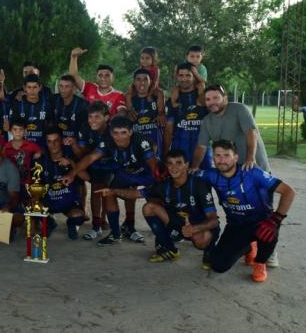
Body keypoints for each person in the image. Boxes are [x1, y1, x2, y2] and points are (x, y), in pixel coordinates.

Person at [197, 140, 295, 282]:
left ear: (236, 157)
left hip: (261, 222)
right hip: (236, 225)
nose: (222, 160)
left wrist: (276, 219)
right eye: (217, 155)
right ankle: (248, 247)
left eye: (226, 155)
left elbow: (289, 192)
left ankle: (260, 262)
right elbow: (187, 174)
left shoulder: (252, 173)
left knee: (269, 230)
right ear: (213, 158)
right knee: (218, 265)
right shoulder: (211, 175)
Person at [101, 149, 219, 267]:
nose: (174, 167)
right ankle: (170, 249)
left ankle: (209, 251)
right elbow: (135, 193)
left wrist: (194, 228)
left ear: (186, 165)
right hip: (179, 222)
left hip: (199, 225)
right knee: (149, 208)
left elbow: (213, 220)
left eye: (178, 163)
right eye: (170, 163)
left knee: (202, 241)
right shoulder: (164, 185)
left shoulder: (199, 185)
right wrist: (113, 191)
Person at [64, 117, 160, 246]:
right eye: (116, 133)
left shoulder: (141, 141)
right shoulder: (107, 141)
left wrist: (155, 186)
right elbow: (91, 157)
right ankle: (115, 234)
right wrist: (71, 174)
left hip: (146, 173)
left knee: (155, 200)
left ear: (131, 132)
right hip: (126, 173)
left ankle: (160, 236)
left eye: (123, 132)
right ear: (111, 133)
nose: (119, 137)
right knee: (108, 193)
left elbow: (153, 166)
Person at [191, 84, 270, 173]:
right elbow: (201, 146)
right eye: (208, 99)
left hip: (255, 167)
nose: (212, 102)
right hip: (233, 173)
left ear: (225, 98)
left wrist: (250, 158)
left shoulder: (239, 109)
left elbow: (251, 133)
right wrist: (195, 166)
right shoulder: (206, 121)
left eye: (216, 98)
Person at [35, 128, 88, 240]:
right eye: (49, 141)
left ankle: (71, 224)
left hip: (69, 204)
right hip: (50, 202)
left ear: (61, 141)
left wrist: (72, 164)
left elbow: (86, 177)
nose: (53, 144)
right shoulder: (41, 161)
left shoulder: (70, 156)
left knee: (78, 215)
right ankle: (49, 223)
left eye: (56, 140)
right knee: (32, 206)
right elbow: (36, 184)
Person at [76, 101, 115, 240]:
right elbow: (84, 152)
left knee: (102, 187)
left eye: (97, 116)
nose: (93, 120)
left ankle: (101, 222)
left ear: (106, 117)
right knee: (95, 185)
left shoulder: (112, 130)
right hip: (93, 164)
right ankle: (97, 224)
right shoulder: (85, 127)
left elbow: (95, 155)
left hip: (112, 166)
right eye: (90, 116)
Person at [163, 63, 211, 169]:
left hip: (202, 148)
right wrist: (165, 154)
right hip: (180, 148)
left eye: (188, 75)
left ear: (194, 77)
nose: (184, 79)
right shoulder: (172, 100)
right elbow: (168, 130)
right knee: (180, 182)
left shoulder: (205, 97)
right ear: (177, 77)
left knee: (204, 182)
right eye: (181, 75)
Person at [68, 47, 127, 117]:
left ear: (113, 78)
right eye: (100, 75)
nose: (103, 78)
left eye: (107, 75)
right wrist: (73, 57)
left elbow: (122, 112)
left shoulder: (119, 95)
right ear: (96, 76)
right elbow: (73, 77)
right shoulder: (90, 87)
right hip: (87, 126)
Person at [9, 73, 55, 149]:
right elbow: (12, 126)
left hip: (41, 145)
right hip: (22, 146)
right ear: (24, 88)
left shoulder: (46, 104)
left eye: (34, 87)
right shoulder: (17, 104)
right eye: (29, 87)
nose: (32, 90)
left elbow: (50, 123)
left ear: (40, 87)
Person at [125, 47, 166, 125]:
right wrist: (132, 87)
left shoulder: (156, 69)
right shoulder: (140, 69)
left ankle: (161, 112)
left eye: (147, 58)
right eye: (142, 58)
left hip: (152, 86)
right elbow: (136, 80)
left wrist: (150, 95)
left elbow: (155, 82)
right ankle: (130, 109)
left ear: (153, 59)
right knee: (128, 93)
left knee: (160, 93)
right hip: (140, 87)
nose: (144, 60)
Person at [128, 68, 163, 156]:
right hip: (137, 140)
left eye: (145, 79)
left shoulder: (157, 96)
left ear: (150, 81)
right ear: (134, 82)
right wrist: (128, 113)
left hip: (155, 140)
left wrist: (161, 114)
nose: (142, 82)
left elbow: (162, 114)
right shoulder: (129, 97)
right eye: (138, 79)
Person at [53, 74, 88, 158]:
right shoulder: (53, 100)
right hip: (57, 144)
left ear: (74, 88)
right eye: (61, 86)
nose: (63, 90)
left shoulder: (83, 105)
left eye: (67, 86)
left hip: (75, 144)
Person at [4, 119, 43, 187]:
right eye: (15, 129)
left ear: (25, 131)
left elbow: (41, 151)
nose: (18, 132)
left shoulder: (30, 145)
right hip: (10, 184)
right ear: (10, 131)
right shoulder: (6, 147)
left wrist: (39, 153)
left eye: (21, 129)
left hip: (26, 183)